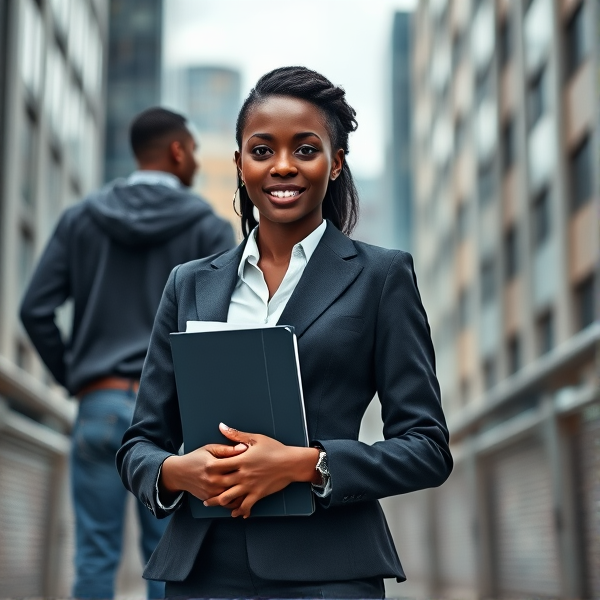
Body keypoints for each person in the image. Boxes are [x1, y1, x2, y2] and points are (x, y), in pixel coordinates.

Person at [117, 67, 453, 599]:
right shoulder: (188, 284)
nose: (282, 166)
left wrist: (307, 464)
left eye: (305, 149)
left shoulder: (381, 277)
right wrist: (179, 472)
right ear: (239, 163)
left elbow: (427, 447)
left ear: (336, 162)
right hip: (203, 568)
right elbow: (140, 443)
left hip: (329, 568)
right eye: (261, 149)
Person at [20, 107, 235, 599]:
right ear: (178, 151)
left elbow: (35, 309)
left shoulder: (81, 218)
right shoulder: (209, 229)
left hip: (97, 407)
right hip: (170, 419)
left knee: (94, 555)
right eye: (194, 152)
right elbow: (221, 336)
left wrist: (80, 378)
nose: (196, 162)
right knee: (169, 557)